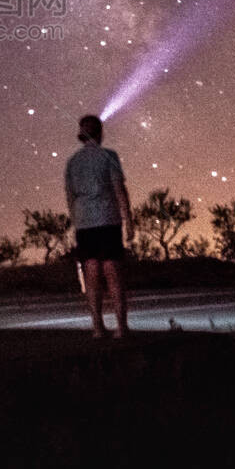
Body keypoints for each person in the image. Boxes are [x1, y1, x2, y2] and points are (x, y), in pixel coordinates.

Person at [64, 114, 134, 338]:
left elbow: (70, 196)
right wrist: (129, 219)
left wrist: (76, 220)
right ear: (100, 133)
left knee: (91, 273)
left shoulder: (73, 162)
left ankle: (97, 328)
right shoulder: (108, 156)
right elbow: (118, 189)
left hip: (84, 223)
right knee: (113, 272)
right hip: (107, 219)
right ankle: (121, 327)